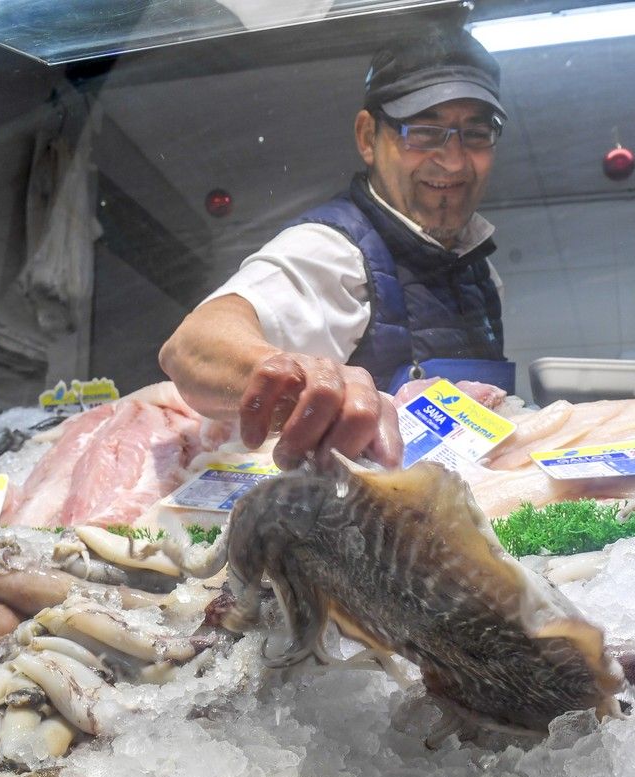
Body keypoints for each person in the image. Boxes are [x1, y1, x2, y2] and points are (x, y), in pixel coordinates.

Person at [159, 26, 511, 470]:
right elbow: (192, 346)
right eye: (424, 132)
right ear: (368, 138)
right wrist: (300, 380)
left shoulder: (482, 274)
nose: (455, 160)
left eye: (476, 134)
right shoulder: (334, 249)